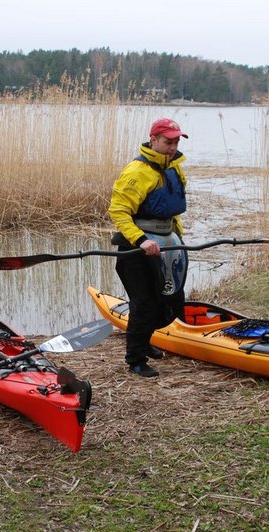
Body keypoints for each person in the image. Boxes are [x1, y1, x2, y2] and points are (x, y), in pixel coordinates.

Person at [108, 118, 190, 378]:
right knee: (143, 304)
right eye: (168, 142)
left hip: (166, 243)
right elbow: (119, 211)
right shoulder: (136, 171)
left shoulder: (174, 168)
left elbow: (170, 210)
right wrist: (141, 240)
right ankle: (136, 358)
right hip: (136, 249)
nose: (172, 147)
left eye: (176, 141)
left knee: (172, 300)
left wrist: (177, 237)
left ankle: (147, 341)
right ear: (153, 139)